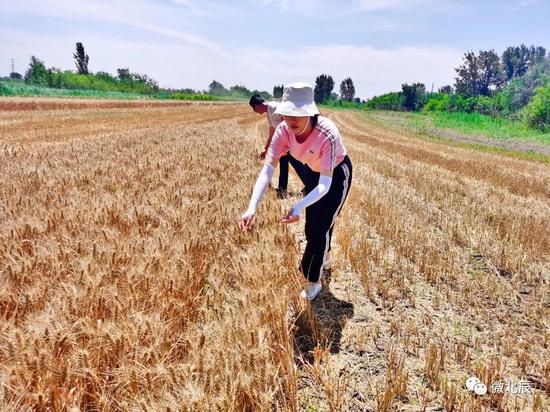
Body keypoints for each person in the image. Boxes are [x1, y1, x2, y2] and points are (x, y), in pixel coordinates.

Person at [241, 83, 353, 300]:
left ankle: (313, 281)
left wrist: (298, 205)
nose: (291, 119)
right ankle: (325, 256)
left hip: (336, 175)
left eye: (298, 115)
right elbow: (267, 170)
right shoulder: (283, 131)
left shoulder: (326, 133)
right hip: (313, 171)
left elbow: (325, 185)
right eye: (287, 114)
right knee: (313, 224)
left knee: (319, 226)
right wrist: (251, 207)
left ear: (310, 113)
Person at [249, 94, 306, 198]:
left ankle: (309, 184)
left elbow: (290, 121)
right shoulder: (269, 113)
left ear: (257, 105)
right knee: (285, 163)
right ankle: (282, 189)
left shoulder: (275, 107)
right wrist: (265, 149)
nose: (254, 111)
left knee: (295, 163)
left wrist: (290, 141)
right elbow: (272, 133)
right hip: (285, 142)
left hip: (290, 141)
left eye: (253, 108)